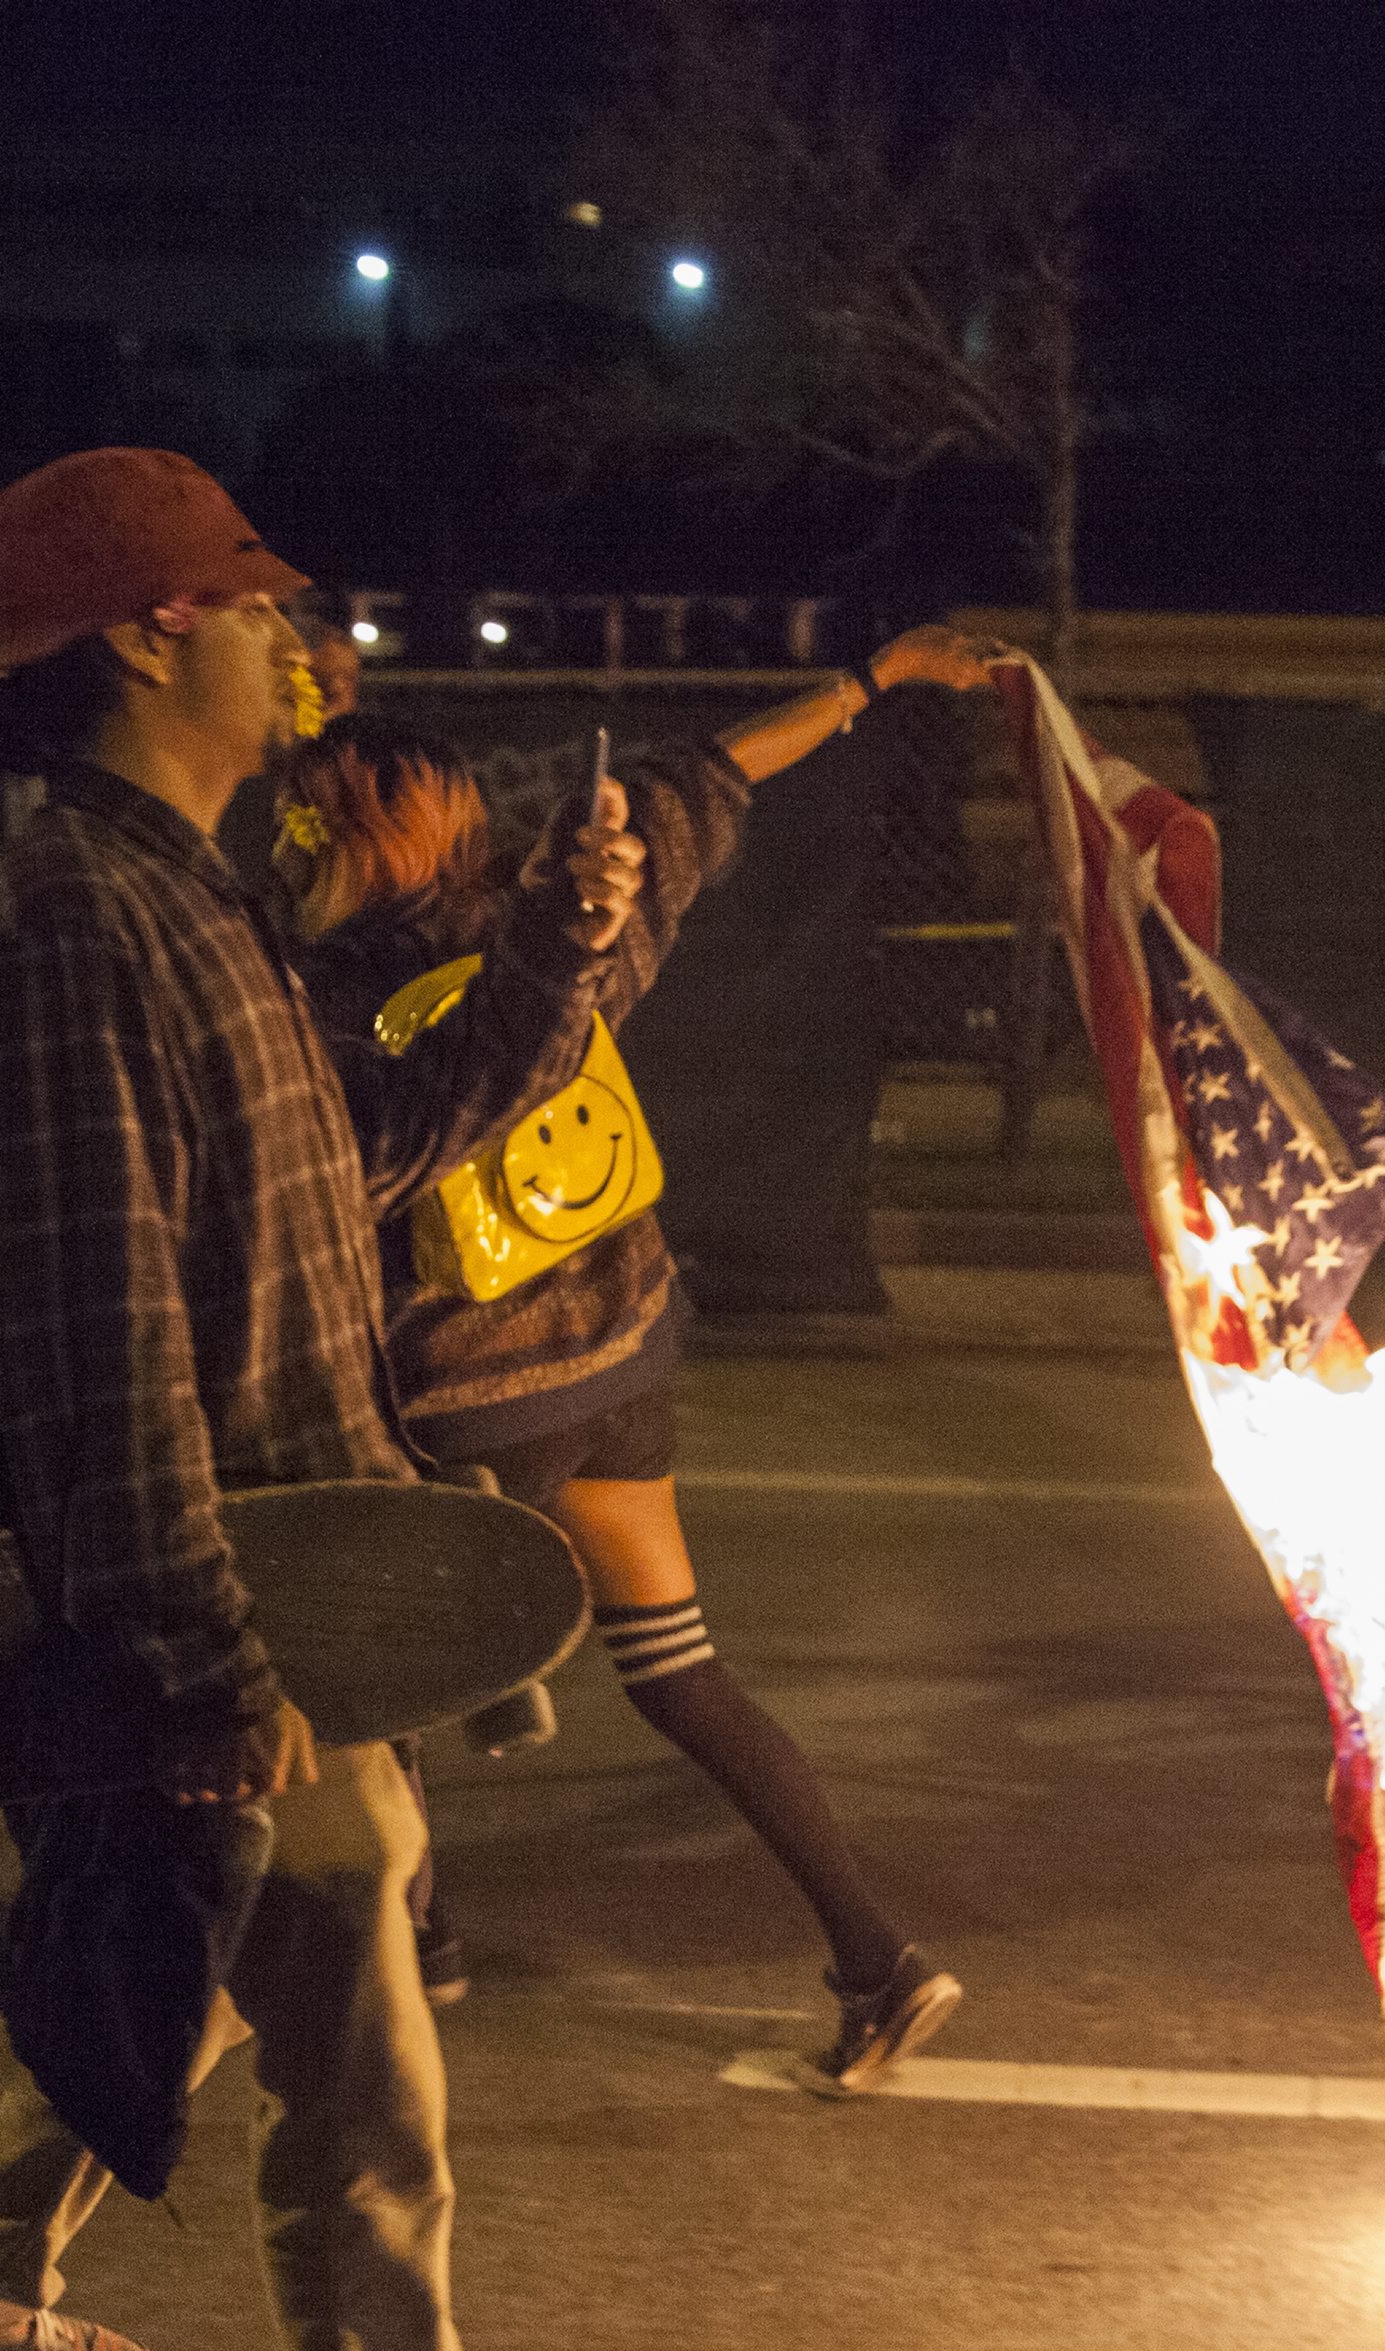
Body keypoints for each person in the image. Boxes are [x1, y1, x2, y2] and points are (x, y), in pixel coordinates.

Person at [0, 447, 664, 2351]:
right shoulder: (69, 928)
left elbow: (363, 1156)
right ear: (144, 634)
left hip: (277, 1589)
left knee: (217, 1970)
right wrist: (204, 1667)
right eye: (251, 604)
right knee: (369, 2065)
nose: (295, 642)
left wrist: (557, 956)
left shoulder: (188, 894)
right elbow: (97, 1332)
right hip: (221, 1606)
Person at [279, 622, 1005, 2087]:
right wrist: (876, 679)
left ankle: (421, 1946)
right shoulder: (563, 912)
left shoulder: (319, 998)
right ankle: (878, 1960)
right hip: (622, 1364)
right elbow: (713, 771)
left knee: (363, 1675)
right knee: (683, 1674)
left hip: (469, 1405)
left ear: (331, 839)